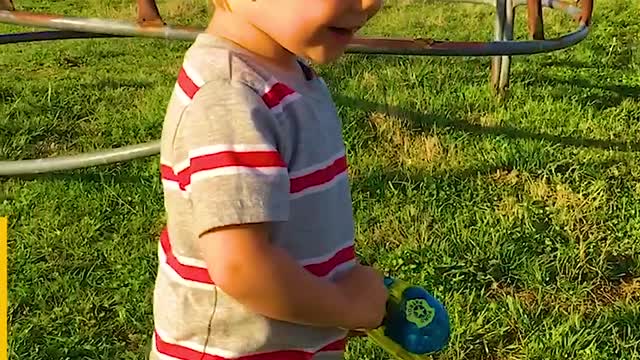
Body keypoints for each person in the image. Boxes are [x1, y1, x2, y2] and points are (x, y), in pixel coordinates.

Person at [152, 0, 386, 358]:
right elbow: (241, 266)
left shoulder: (283, 74)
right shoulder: (230, 97)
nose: (372, 3)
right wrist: (346, 305)